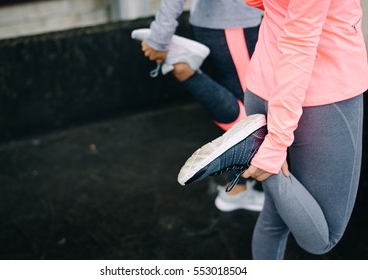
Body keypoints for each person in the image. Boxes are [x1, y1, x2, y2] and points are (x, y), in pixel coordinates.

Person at [178, 0, 368, 259]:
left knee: (275, 217)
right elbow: (300, 45)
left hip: (262, 88)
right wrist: (276, 145)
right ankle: (248, 152)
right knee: (324, 238)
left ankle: (255, 152)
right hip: (321, 99)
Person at [132, 0, 264, 212]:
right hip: (232, 24)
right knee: (251, 118)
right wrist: (159, 36)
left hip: (227, 23)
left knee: (247, 109)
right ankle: (236, 192)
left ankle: (238, 186)